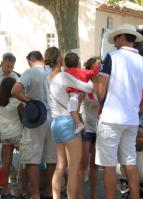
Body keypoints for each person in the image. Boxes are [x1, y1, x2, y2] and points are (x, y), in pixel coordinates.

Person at [95, 24, 143, 199]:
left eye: (115, 40)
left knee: (109, 165)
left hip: (111, 118)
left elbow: (100, 90)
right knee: (130, 162)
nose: (114, 44)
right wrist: (137, 110)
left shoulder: (112, 57)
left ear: (122, 38)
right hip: (131, 120)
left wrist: (102, 104)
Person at [44, 47, 93, 199]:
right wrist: (90, 75)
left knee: (60, 166)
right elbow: (88, 87)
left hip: (55, 123)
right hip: (68, 122)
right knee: (73, 169)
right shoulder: (64, 76)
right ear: (59, 58)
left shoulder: (48, 77)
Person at [11, 50, 56, 199]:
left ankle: (35, 193)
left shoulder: (30, 72)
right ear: (42, 59)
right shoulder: (53, 71)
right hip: (53, 117)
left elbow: (15, 91)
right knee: (52, 158)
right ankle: (50, 191)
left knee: (33, 158)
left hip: (37, 117)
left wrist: (29, 101)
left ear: (30, 61)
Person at [0, 77, 27, 198]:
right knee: (24, 162)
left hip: (5, 134)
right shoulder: (16, 102)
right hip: (18, 133)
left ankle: (5, 190)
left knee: (6, 162)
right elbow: (24, 117)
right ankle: (24, 190)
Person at [0, 52, 18, 168]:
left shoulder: (14, 76)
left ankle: (5, 168)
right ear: (2, 63)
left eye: (12, 66)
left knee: (6, 143)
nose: (10, 69)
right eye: (7, 66)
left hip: (9, 115)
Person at [78, 57, 102, 199]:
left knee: (95, 166)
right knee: (83, 164)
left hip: (100, 129)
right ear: (91, 68)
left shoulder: (105, 84)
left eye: (101, 65)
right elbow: (75, 106)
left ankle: (93, 196)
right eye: (97, 65)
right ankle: (80, 195)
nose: (100, 67)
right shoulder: (85, 84)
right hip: (86, 128)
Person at [64, 53, 100, 133]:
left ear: (65, 64)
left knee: (71, 108)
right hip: (83, 92)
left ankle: (78, 123)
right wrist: (99, 67)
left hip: (73, 93)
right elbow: (93, 72)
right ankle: (78, 123)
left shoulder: (65, 73)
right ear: (77, 62)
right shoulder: (83, 71)